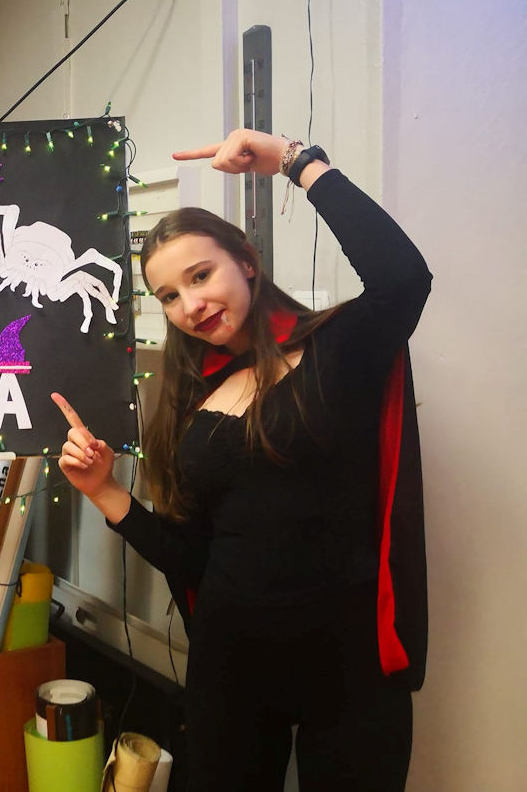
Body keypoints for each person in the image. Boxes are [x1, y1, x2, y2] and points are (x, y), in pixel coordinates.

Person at [53, 129, 430, 791]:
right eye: (169, 295)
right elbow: (192, 556)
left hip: (350, 669)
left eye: (201, 276)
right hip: (230, 666)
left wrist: (295, 161)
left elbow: (403, 278)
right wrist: (105, 491)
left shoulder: (336, 353)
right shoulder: (193, 401)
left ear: (247, 262)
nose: (190, 305)